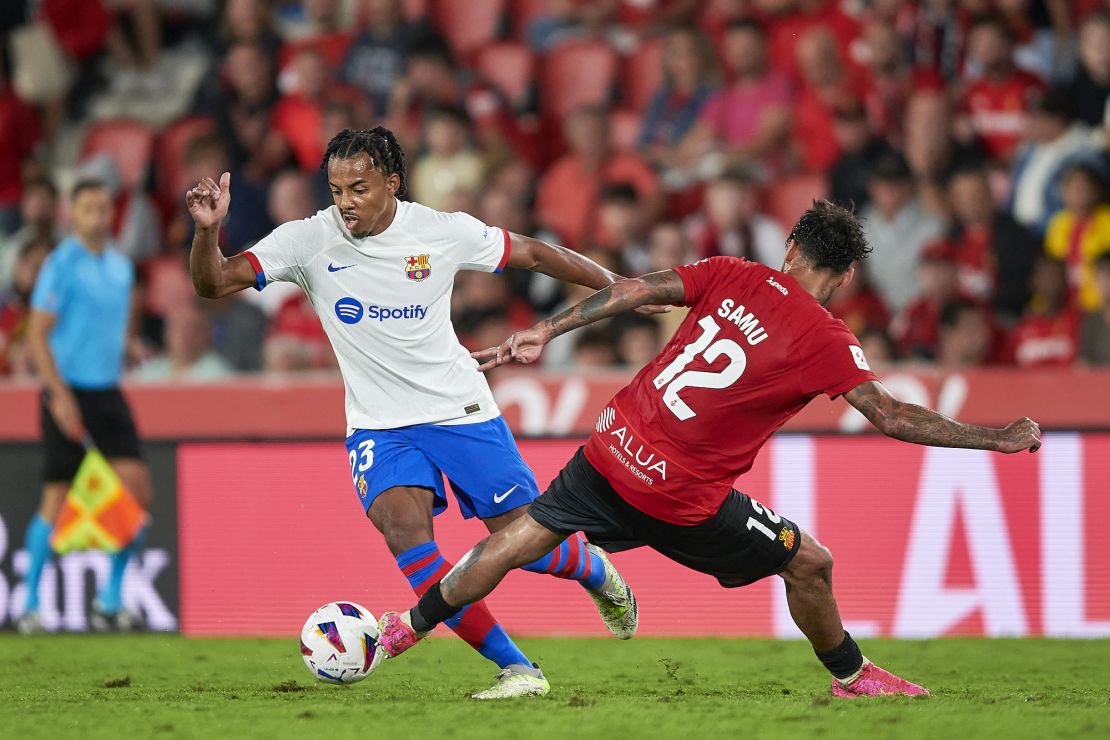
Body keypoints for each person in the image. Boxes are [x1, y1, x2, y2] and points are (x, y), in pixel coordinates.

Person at [375, 200, 1042, 698]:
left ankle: (407, 627)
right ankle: (851, 677)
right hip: (677, 495)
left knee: (517, 540)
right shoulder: (825, 336)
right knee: (809, 562)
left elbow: (635, 290)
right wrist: (998, 438)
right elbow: (891, 416)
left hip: (611, 447)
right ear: (842, 277)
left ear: (789, 248)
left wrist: (548, 328)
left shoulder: (732, 272)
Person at [185, 126, 650, 700]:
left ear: (393, 182)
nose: (346, 203)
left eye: (359, 188)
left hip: (460, 409)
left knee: (522, 542)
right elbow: (214, 283)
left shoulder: (438, 230)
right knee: (404, 532)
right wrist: (208, 233)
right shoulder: (308, 240)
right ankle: (518, 669)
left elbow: (532, 252)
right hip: (378, 426)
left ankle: (595, 569)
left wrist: (624, 287)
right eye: (336, 190)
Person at [18, 180, 153, 634]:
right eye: (88, 208)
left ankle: (110, 598)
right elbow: (37, 333)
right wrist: (57, 394)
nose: (98, 215)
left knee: (137, 498)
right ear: (71, 216)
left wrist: (127, 347)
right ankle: (30, 602)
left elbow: (108, 324)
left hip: (107, 391)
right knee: (56, 500)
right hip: (68, 392)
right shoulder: (60, 264)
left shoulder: (120, 267)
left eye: (104, 207)